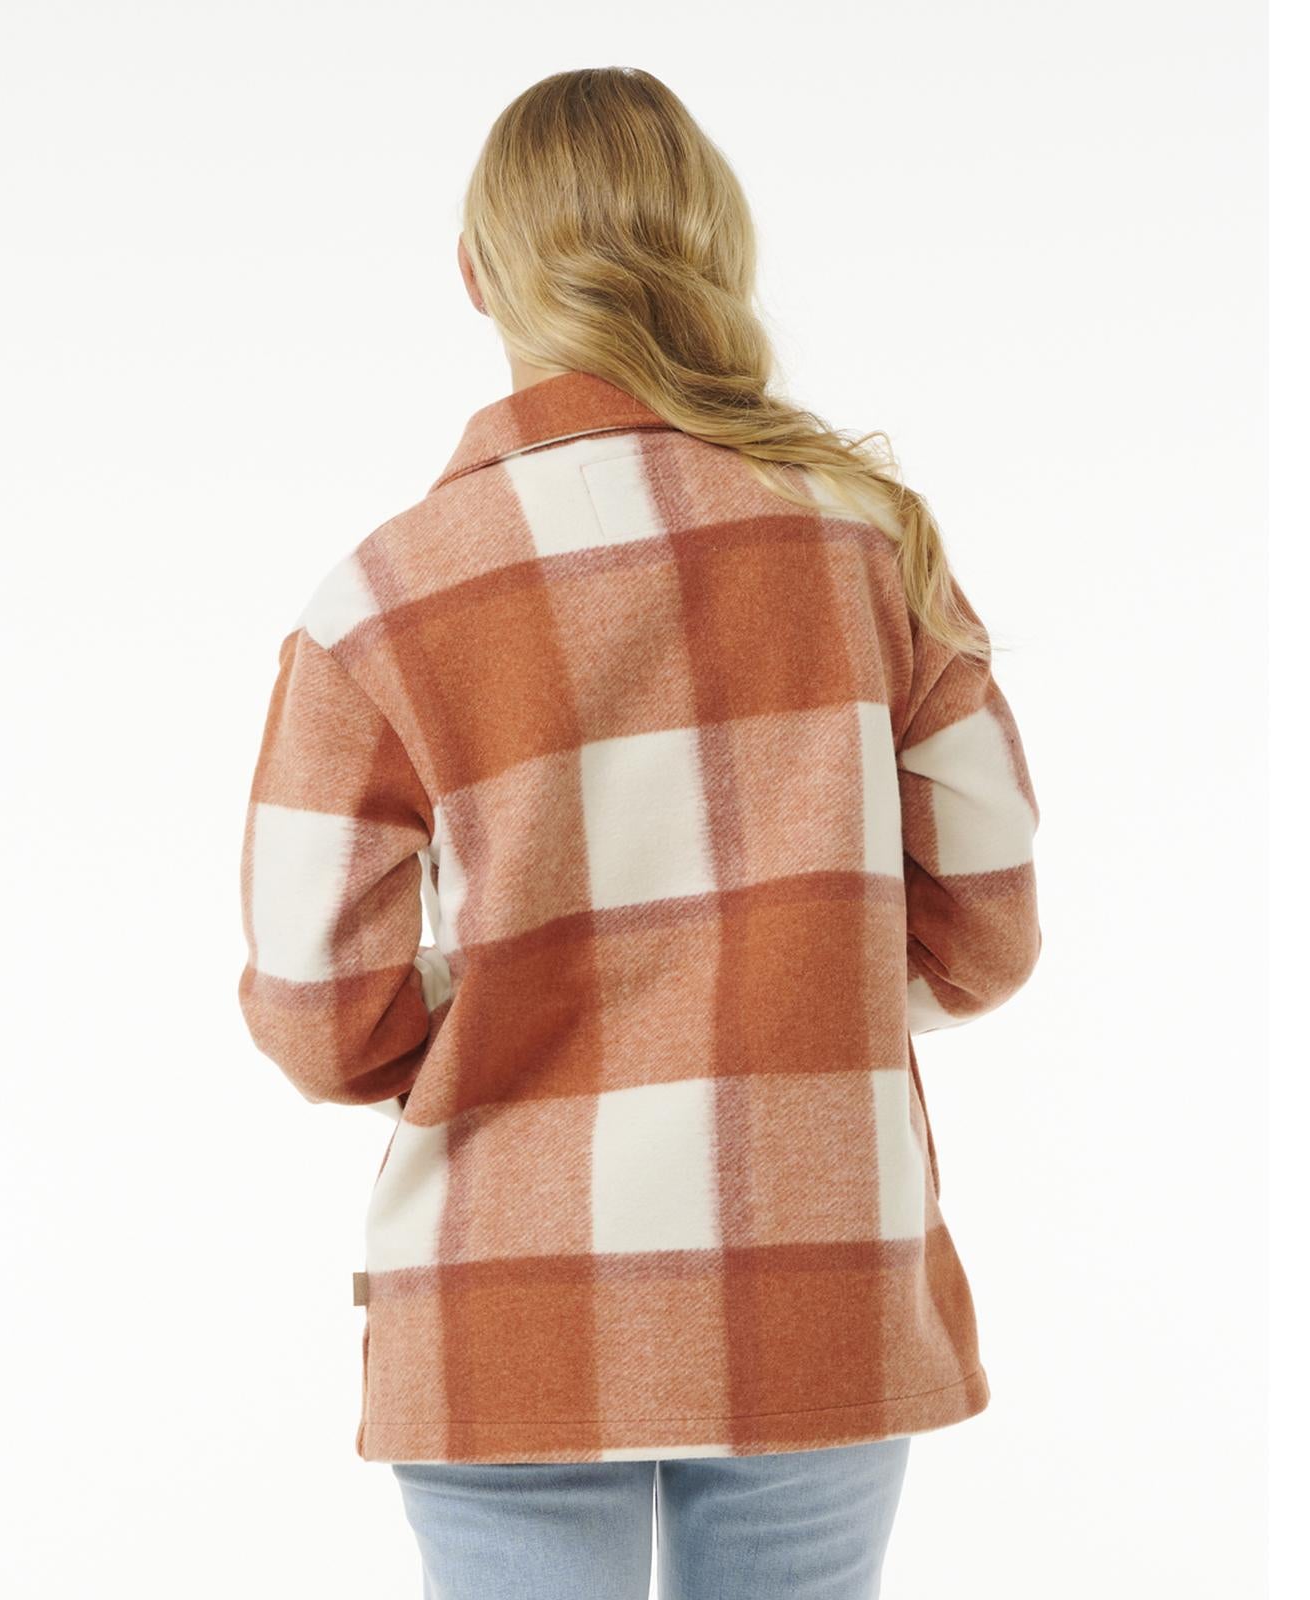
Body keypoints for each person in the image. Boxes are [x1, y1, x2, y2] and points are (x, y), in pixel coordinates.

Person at [237, 65, 1041, 1600]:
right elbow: (984, 931)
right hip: (818, 1262)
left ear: (475, 275)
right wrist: (788, 994)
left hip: (509, 1294)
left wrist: (521, 1022)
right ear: (718, 255)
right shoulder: (873, 544)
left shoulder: (376, 607)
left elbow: (318, 1017)